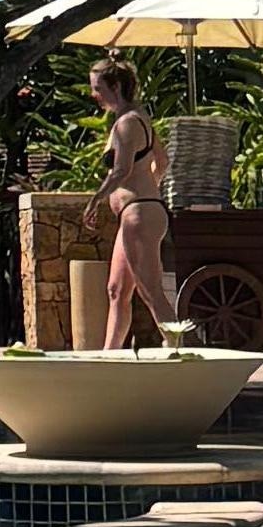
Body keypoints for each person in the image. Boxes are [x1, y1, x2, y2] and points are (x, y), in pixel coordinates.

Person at [93, 53, 175, 343]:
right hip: (136, 212)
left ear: (116, 87)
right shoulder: (139, 119)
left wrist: (95, 200)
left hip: (139, 214)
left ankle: (179, 349)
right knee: (116, 290)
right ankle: (109, 356)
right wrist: (149, 188)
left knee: (150, 290)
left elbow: (121, 170)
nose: (94, 95)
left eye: (98, 88)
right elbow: (162, 161)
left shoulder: (128, 123)